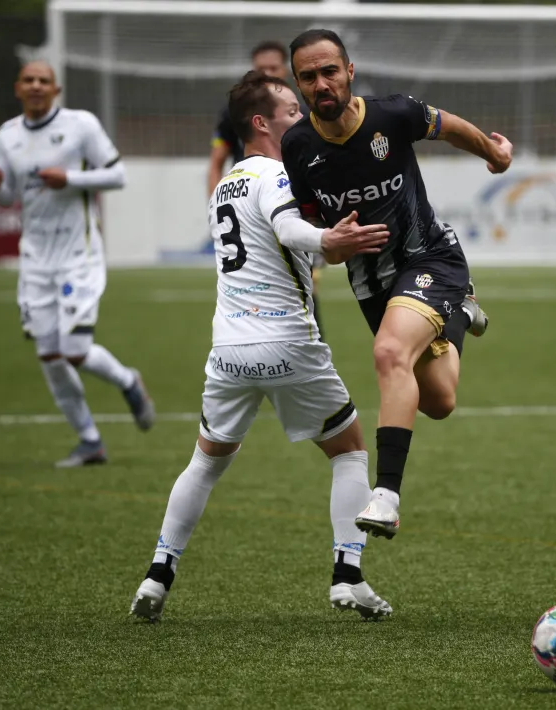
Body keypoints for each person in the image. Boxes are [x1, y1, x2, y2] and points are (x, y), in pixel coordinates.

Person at [130, 71, 393, 622]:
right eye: (291, 111)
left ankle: (158, 574)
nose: (301, 117)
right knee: (348, 451)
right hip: (288, 342)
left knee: (204, 462)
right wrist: (328, 240)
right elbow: (290, 230)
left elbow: (281, 244)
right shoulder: (274, 173)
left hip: (227, 351)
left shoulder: (224, 184)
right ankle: (348, 575)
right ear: (261, 123)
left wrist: (326, 245)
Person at [280, 29, 510, 541]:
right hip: (371, 281)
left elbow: (449, 128)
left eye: (329, 72)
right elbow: (315, 225)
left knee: (388, 353)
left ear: (349, 72)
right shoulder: (297, 147)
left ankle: (385, 495)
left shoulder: (393, 114)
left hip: (430, 256)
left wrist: (494, 156)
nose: (321, 84)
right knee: (438, 401)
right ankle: (459, 314)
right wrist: (327, 244)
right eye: (308, 77)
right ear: (298, 83)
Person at [0, 61, 155, 468]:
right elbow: (10, 196)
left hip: (78, 253)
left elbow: (117, 175)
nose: (36, 86)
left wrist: (71, 179)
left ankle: (128, 381)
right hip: (35, 258)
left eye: (44, 80)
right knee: (49, 353)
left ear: (56, 89)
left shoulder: (81, 125)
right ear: (18, 88)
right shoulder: (7, 135)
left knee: (74, 350)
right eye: (29, 80)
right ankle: (90, 441)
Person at [208, 40, 329, 338]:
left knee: (299, 289)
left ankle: (299, 350)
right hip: (251, 204)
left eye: (272, 68)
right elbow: (215, 162)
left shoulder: (300, 113)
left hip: (290, 205)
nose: (265, 73)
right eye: (259, 69)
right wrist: (216, 207)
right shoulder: (232, 114)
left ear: (285, 71)